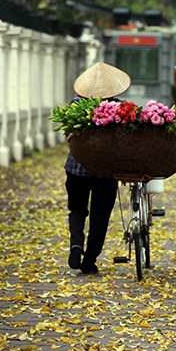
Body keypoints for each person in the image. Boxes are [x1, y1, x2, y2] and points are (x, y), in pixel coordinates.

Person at [65, 62, 131, 275]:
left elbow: (67, 135)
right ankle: (89, 260)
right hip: (106, 170)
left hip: (77, 168)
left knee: (77, 209)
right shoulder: (120, 108)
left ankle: (76, 243)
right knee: (100, 215)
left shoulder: (76, 105)